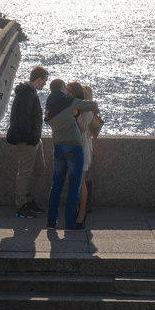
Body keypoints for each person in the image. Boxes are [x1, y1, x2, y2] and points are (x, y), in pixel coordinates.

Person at [44, 78, 98, 231]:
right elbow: (93, 105)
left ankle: (51, 222)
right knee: (74, 187)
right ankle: (70, 223)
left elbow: (47, 120)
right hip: (74, 147)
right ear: (61, 88)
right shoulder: (69, 102)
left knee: (56, 186)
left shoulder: (50, 103)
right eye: (64, 87)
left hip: (58, 147)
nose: (66, 90)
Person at [6, 65, 49, 219]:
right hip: (28, 140)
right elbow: (23, 118)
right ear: (38, 79)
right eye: (44, 81)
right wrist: (30, 137)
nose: (44, 84)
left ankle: (29, 200)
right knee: (24, 172)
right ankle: (21, 205)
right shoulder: (27, 94)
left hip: (34, 139)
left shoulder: (30, 92)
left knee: (39, 168)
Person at [68, 81, 100, 226]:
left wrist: (77, 115)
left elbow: (83, 128)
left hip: (84, 145)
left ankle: (83, 209)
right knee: (79, 178)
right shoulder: (72, 106)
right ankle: (80, 207)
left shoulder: (87, 109)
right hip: (74, 145)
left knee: (82, 178)